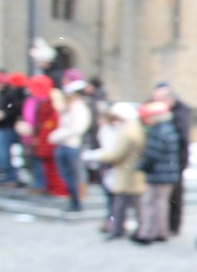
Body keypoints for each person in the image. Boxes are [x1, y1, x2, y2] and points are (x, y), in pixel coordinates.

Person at [82, 102, 146, 239]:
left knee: (124, 203)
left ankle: (120, 229)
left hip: (127, 171)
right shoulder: (134, 128)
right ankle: (128, 228)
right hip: (130, 171)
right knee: (131, 203)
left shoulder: (128, 131)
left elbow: (116, 154)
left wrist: (95, 155)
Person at [132, 101, 181, 245]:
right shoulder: (169, 128)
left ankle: (147, 233)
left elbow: (153, 154)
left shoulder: (158, 130)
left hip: (158, 173)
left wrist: (141, 167)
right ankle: (161, 231)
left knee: (149, 203)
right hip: (167, 172)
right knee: (161, 203)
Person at [152, 82, 191, 235]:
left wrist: (182, 161)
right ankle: (165, 225)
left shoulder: (180, 112)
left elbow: (182, 138)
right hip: (167, 159)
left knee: (175, 195)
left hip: (176, 159)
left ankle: (173, 225)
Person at [48, 79, 92, 211]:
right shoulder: (68, 109)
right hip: (64, 144)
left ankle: (77, 201)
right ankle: (72, 199)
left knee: (74, 175)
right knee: (66, 175)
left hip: (73, 145)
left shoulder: (80, 109)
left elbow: (77, 129)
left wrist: (59, 135)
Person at [0, 71, 27, 186]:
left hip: (7, 127)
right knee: (3, 153)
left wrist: (3, 114)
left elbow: (14, 110)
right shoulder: (3, 94)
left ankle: (11, 177)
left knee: (5, 154)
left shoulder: (10, 94)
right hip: (3, 127)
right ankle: (9, 177)